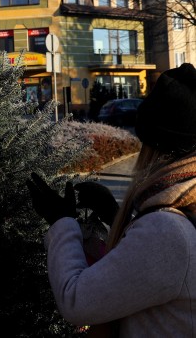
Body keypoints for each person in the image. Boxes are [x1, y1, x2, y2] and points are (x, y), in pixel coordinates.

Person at [27, 62, 196, 337]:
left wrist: (62, 224)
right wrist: (116, 215)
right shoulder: (185, 205)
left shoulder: (167, 231)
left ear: (153, 145)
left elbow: (77, 301)